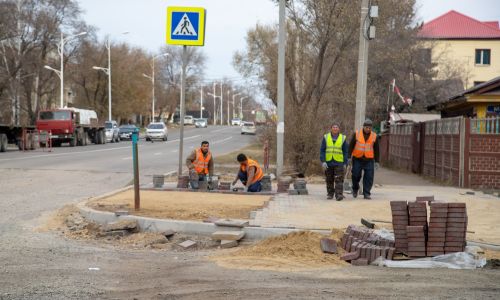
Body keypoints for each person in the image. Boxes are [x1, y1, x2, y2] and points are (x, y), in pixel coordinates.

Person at [348, 119, 380, 199]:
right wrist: (348, 157)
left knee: (369, 177)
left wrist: (377, 161)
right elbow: (351, 146)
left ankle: (366, 193)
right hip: (357, 158)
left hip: (369, 160)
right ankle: (355, 188)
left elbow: (377, 149)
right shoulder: (357, 134)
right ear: (363, 127)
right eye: (366, 127)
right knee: (355, 175)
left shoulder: (374, 136)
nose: (368, 129)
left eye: (369, 128)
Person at [320, 122, 348, 200]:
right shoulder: (326, 137)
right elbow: (322, 150)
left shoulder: (343, 138)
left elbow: (345, 152)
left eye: (336, 127)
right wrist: (323, 161)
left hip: (339, 162)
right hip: (328, 161)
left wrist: (345, 163)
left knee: (339, 179)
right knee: (329, 179)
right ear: (331, 128)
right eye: (333, 127)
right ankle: (330, 194)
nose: (335, 128)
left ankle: (339, 195)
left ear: (339, 129)